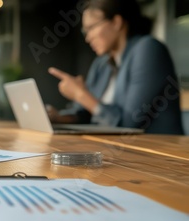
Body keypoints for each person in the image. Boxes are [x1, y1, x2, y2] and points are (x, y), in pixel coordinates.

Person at [47, 0, 184, 135]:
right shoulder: (101, 64)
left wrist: (80, 94)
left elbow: (127, 124)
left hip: (157, 152)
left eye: (92, 28)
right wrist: (57, 118)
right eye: (85, 31)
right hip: (116, 151)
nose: (88, 38)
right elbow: (88, 114)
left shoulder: (148, 49)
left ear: (117, 22)